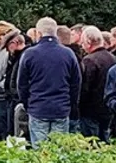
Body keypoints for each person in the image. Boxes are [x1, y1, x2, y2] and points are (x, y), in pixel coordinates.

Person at [17, 17, 81, 148]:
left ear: (38, 33)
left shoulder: (29, 54)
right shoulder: (68, 54)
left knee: (40, 150)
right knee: (59, 150)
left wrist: (27, 103)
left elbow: (22, 84)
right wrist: (71, 104)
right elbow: (76, 83)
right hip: (61, 108)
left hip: (38, 108)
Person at [78, 26, 115, 142]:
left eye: (83, 43)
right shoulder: (112, 58)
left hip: (90, 111)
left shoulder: (89, 60)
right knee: (105, 141)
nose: (82, 46)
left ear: (89, 43)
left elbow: (85, 88)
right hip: (107, 109)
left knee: (91, 143)